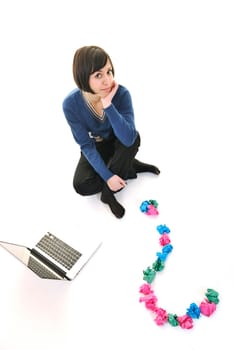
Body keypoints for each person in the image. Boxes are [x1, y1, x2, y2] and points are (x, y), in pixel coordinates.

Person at [62, 45, 160, 219]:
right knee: (81, 185)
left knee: (133, 138)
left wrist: (108, 104)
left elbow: (128, 138)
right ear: (83, 77)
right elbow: (86, 145)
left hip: (120, 145)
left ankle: (108, 193)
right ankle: (128, 167)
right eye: (98, 75)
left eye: (109, 72)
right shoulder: (71, 104)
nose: (107, 81)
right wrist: (108, 176)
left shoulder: (121, 94)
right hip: (96, 146)